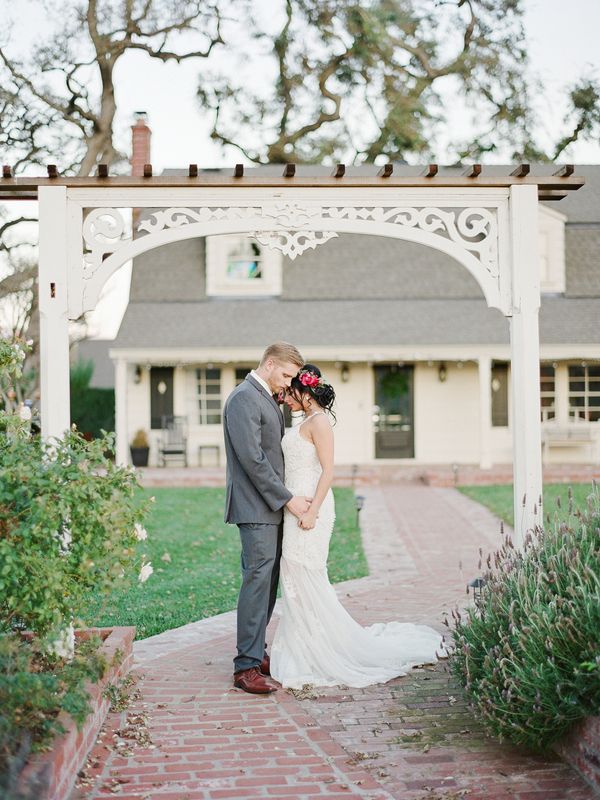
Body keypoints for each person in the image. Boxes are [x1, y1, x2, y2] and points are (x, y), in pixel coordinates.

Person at [270, 364, 446, 689]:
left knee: (304, 572)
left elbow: (328, 471)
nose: (284, 397)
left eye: (289, 392)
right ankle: (302, 646)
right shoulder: (304, 421)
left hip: (312, 508)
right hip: (294, 506)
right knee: (294, 575)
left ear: (304, 392)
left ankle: (322, 649)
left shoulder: (319, 423)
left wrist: (313, 512)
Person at [223, 342, 312, 694]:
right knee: (257, 581)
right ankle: (244, 669)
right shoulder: (244, 397)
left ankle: (256, 651)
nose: (287, 384)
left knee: (267, 581)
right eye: (286, 375)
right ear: (270, 363)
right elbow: (253, 460)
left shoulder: (264, 397)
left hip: (269, 507)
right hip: (255, 506)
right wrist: (288, 499)